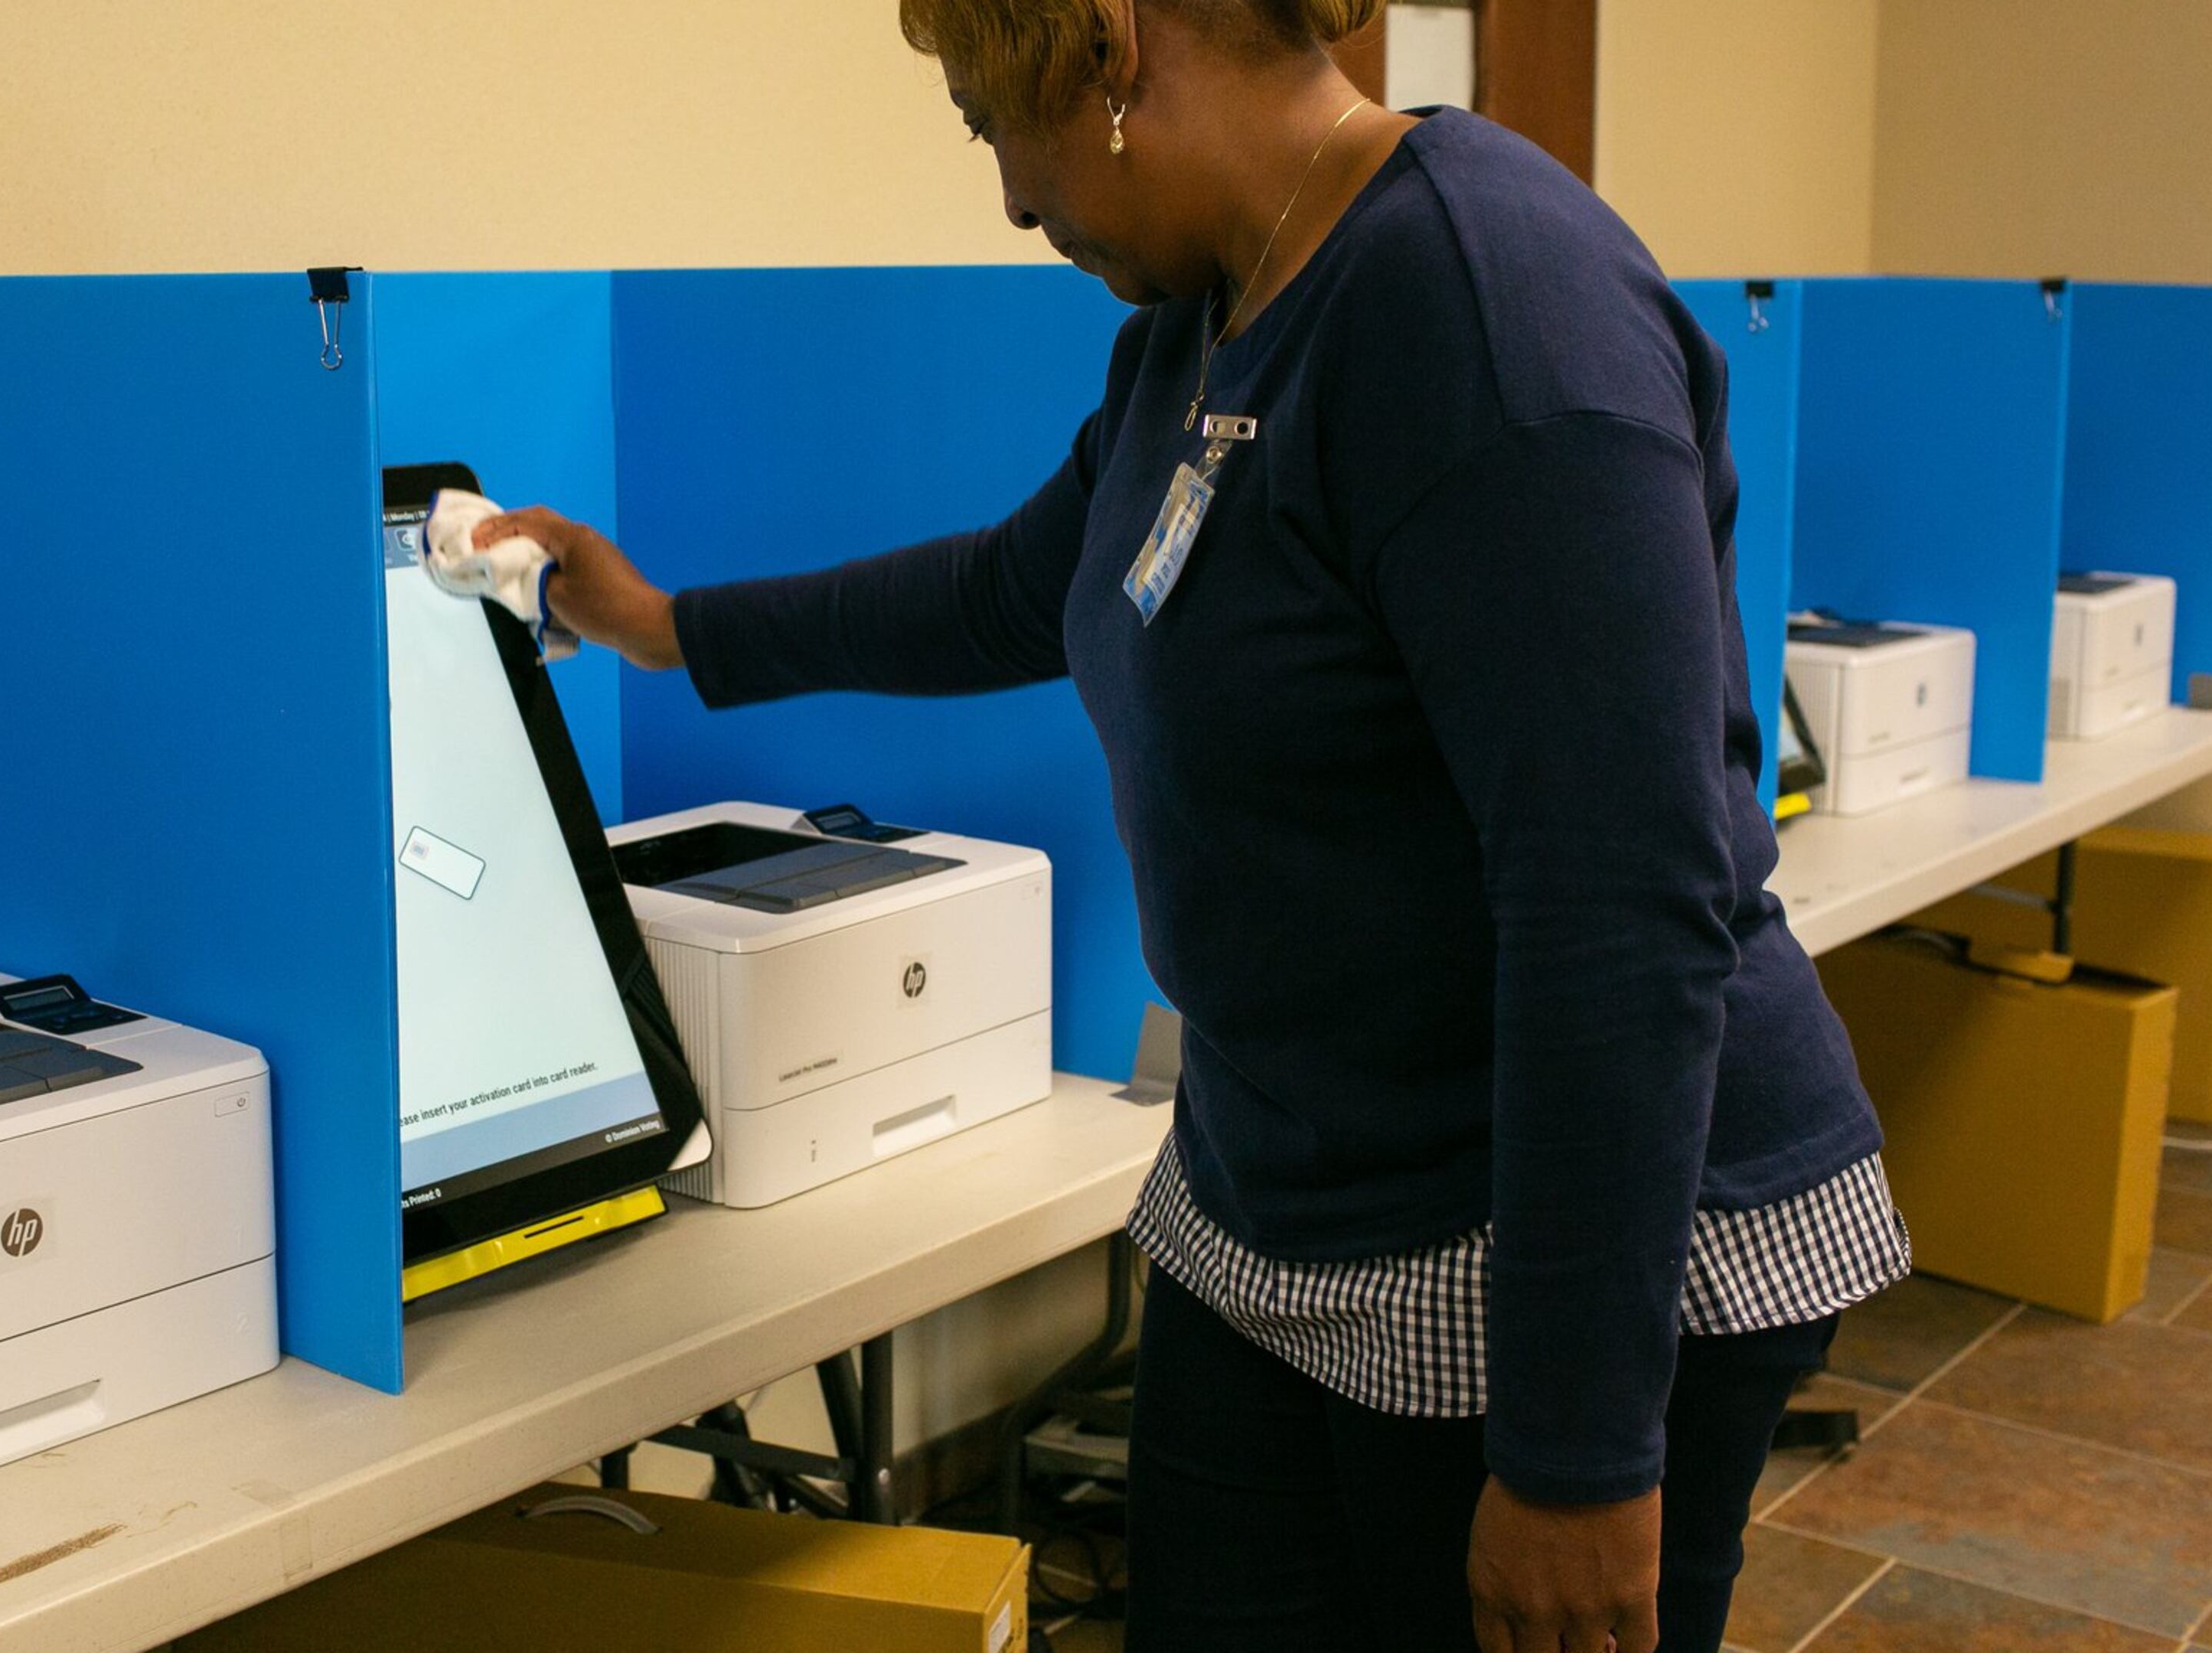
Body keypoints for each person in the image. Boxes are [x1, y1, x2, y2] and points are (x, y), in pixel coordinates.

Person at [478, 2, 1909, 1648]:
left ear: (1103, 52)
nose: (1013, 199)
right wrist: (673, 627)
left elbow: (1619, 904)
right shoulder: (1213, 314)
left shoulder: (1496, 312)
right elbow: (1026, 588)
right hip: (1277, 1197)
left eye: (983, 120)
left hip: (1535, 1230)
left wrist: (1580, 1457)